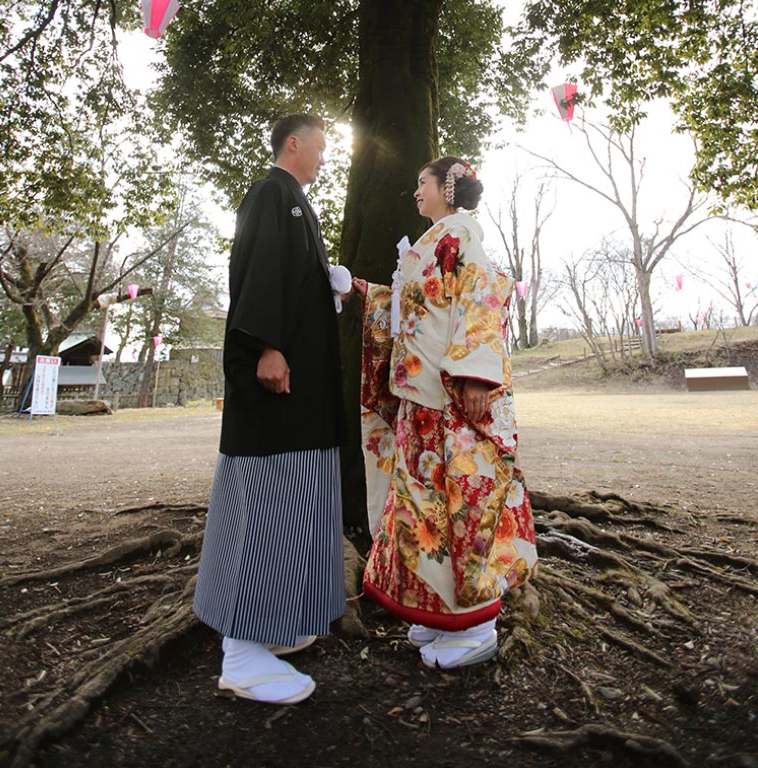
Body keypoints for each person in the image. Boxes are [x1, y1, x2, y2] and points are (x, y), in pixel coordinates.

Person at [352, 156, 538, 669]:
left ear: (448, 188)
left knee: (462, 502)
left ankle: (476, 621)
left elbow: (481, 299)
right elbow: (409, 308)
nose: (416, 192)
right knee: (421, 506)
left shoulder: (463, 238)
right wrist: (361, 291)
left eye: (421, 182)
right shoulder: (429, 244)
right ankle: (439, 612)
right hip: (420, 397)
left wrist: (478, 374)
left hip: (453, 397)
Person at [193, 114, 348, 705]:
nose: (324, 157)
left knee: (301, 492)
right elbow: (256, 274)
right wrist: (269, 345)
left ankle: (279, 625)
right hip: (274, 376)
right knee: (264, 495)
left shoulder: (298, 201)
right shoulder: (270, 191)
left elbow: (292, 282)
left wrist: (325, 286)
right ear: (294, 143)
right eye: (320, 146)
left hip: (302, 389)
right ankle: (242, 648)